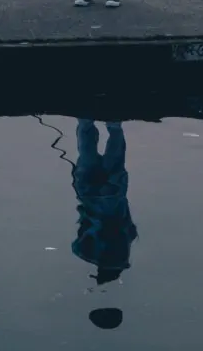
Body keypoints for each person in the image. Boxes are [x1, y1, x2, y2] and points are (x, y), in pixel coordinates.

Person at [71, 118, 137, 318]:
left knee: (111, 147)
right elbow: (78, 242)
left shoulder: (123, 245)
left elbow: (128, 229)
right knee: (87, 147)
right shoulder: (86, 251)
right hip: (95, 194)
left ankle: (109, 121)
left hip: (111, 194)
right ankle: (90, 119)